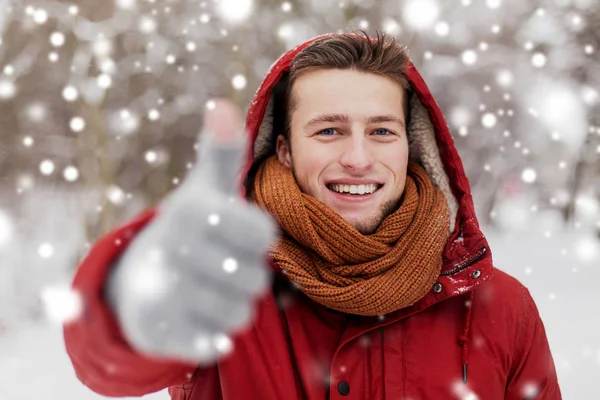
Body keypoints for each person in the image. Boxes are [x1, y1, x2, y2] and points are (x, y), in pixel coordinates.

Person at [64, 31, 561, 399]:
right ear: (282, 150)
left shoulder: (499, 308)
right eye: (329, 131)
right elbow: (106, 364)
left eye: (382, 131)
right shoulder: (222, 284)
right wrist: (132, 294)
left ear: (411, 148)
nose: (360, 158)